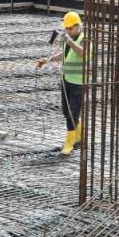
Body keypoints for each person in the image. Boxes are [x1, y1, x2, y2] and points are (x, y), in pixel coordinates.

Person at [36, 11, 88, 155]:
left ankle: (69, 143)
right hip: (66, 80)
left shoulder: (85, 39)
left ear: (78, 26)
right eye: (67, 28)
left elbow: (83, 53)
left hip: (79, 83)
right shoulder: (69, 39)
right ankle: (79, 134)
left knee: (72, 112)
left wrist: (69, 41)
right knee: (67, 112)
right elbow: (64, 55)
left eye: (71, 28)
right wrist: (48, 60)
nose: (68, 31)